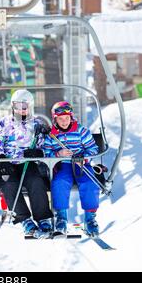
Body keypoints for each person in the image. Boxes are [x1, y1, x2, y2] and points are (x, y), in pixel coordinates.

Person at [0, 89, 53, 237]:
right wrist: (0, 158)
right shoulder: (4, 122)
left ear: (29, 106)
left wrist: (38, 152)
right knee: (8, 185)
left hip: (27, 161)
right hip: (7, 163)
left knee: (35, 181)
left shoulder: (36, 123)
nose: (20, 110)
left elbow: (45, 144)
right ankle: (24, 219)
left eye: (23, 106)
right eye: (17, 106)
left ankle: (43, 218)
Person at [42, 101, 100, 237]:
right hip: (64, 165)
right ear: (55, 119)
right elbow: (45, 152)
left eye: (67, 118)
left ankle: (90, 219)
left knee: (89, 183)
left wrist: (84, 157)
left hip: (81, 164)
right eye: (60, 119)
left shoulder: (81, 131)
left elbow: (93, 149)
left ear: (71, 117)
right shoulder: (52, 135)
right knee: (59, 182)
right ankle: (61, 218)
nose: (64, 122)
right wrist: (58, 154)